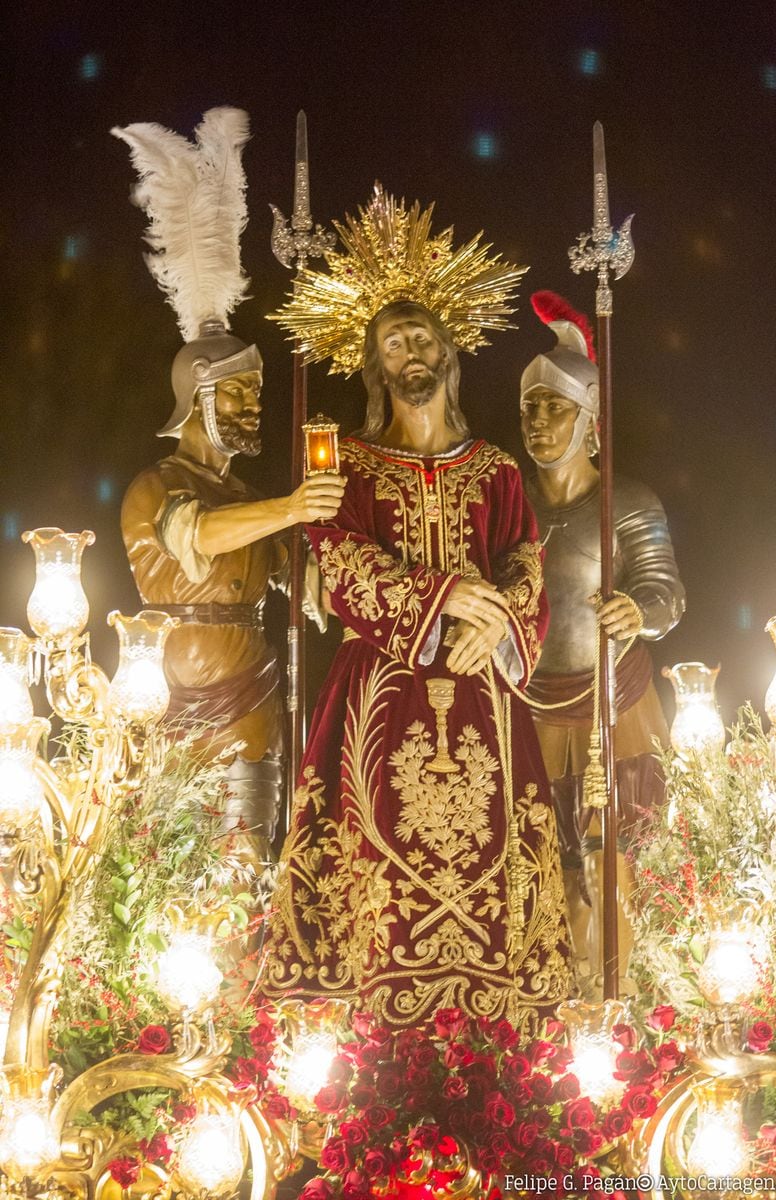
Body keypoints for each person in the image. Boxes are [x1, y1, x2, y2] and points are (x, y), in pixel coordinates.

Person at [262, 187, 573, 1030]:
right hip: (379, 690)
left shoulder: (498, 468)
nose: (411, 349)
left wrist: (496, 621)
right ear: (377, 365)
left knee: (497, 859)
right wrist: (442, 599)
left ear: (448, 355)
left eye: (423, 336)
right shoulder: (349, 463)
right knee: (370, 857)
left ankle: (499, 1044)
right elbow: (337, 554)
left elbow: (527, 565)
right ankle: (362, 1040)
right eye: (394, 340)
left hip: (482, 695)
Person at [114, 110, 344, 853]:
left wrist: (323, 555)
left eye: (255, 394)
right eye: (237, 395)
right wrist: (289, 507)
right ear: (196, 397)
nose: (252, 407)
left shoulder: (253, 501)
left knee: (250, 864)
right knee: (169, 872)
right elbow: (198, 538)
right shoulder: (156, 486)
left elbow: (298, 580)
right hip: (173, 698)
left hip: (253, 703)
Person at [520, 290, 685, 988]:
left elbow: (667, 591)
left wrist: (635, 612)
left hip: (614, 705)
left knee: (620, 861)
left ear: (590, 420)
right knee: (539, 863)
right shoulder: (509, 505)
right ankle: (552, 1005)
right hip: (529, 704)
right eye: (529, 407)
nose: (538, 421)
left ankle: (628, 997)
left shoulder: (631, 501)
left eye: (555, 408)